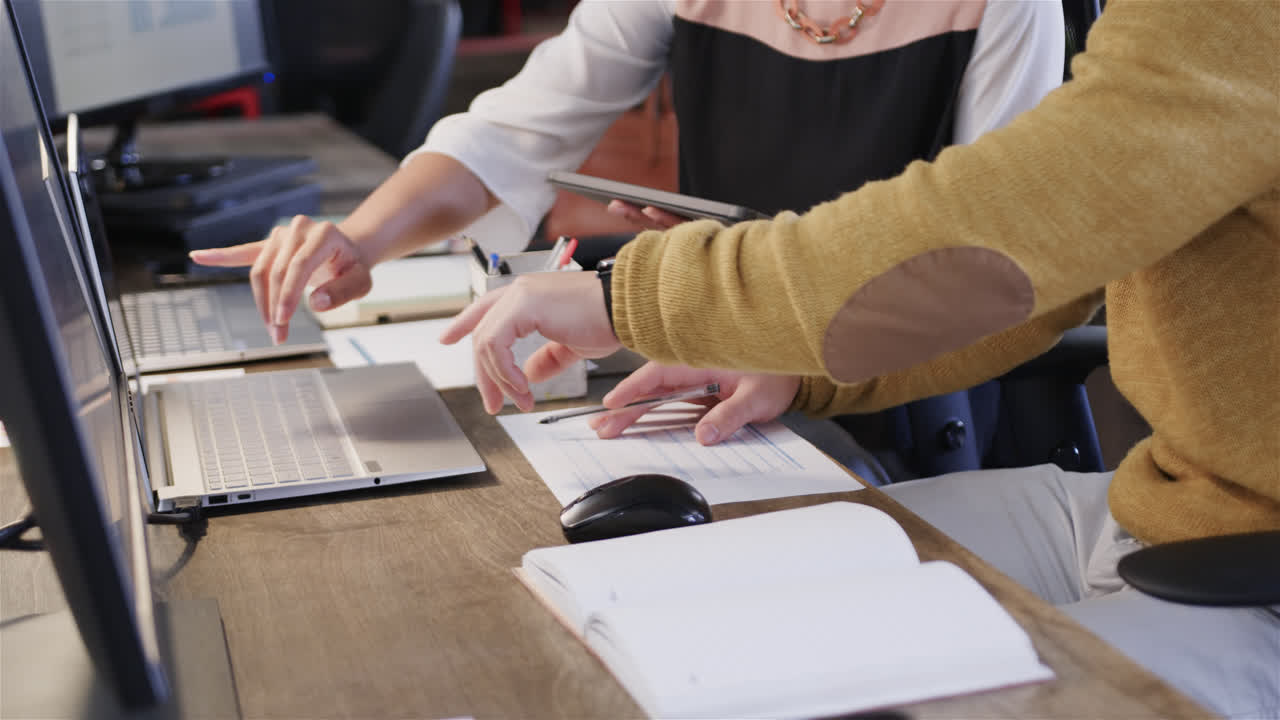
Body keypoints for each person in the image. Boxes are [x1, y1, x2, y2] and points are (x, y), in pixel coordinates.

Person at [438, 1, 1280, 717]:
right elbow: (1037, 277)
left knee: (825, 688)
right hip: (1158, 500)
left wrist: (637, 296)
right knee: (703, 586)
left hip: (1256, 558)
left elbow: (998, 230)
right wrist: (787, 367)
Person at [189, 0, 1064, 348]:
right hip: (715, 349)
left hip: (892, 373)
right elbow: (513, 134)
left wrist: (729, 314)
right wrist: (360, 239)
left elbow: (986, 266)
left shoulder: (1006, 5)